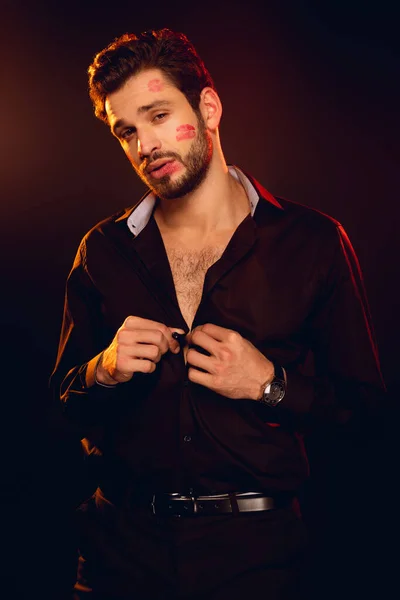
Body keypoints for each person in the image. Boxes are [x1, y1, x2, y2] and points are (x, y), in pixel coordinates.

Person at [50, 28, 386, 600]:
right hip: (118, 556)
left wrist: (270, 387)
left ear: (208, 107)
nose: (144, 145)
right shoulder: (102, 249)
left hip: (256, 561)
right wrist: (101, 370)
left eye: (158, 115)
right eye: (125, 130)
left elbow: (366, 417)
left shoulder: (312, 243)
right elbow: (60, 408)